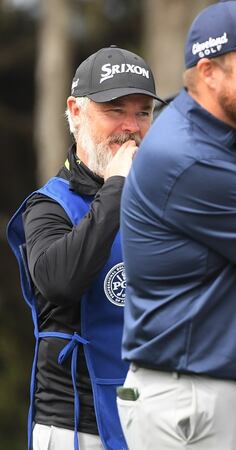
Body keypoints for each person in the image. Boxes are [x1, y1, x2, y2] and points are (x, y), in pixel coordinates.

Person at [116, 2, 236, 448]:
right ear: (208, 73)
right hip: (199, 397)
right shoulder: (189, 158)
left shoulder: (233, 136)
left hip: (211, 389)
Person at [6, 46, 161, 450]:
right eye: (115, 110)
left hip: (156, 416)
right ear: (75, 112)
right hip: (76, 425)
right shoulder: (47, 206)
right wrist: (115, 187)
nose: (130, 126)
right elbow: (59, 282)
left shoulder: (161, 201)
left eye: (142, 112)